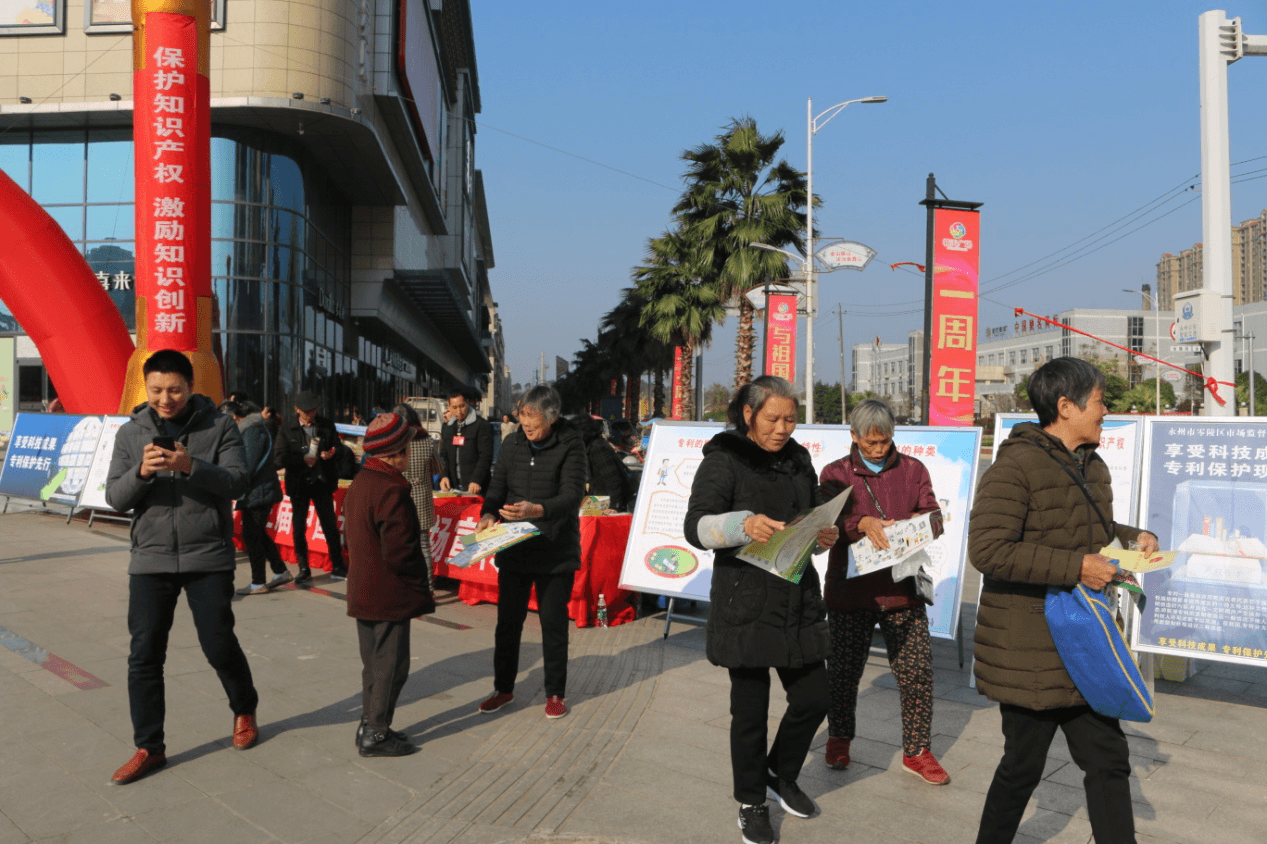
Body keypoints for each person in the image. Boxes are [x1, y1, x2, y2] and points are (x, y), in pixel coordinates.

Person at [969, 357, 1159, 844]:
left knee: (1108, 761)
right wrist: (1077, 567)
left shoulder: (1090, 465)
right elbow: (989, 550)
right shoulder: (1016, 466)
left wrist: (1134, 536)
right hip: (1031, 649)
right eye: (1099, 401)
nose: (1106, 410)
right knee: (1023, 768)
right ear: (1065, 406)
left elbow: (1091, 530)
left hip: (1084, 642)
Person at [682, 376, 839, 844]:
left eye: (790, 419)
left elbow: (808, 517)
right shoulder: (724, 459)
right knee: (749, 713)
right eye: (773, 418)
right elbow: (696, 526)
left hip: (797, 598)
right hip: (745, 599)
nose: (782, 428)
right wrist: (742, 525)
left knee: (816, 697)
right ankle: (752, 803)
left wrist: (821, 535)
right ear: (748, 414)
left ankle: (779, 772)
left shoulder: (799, 460)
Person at [105, 349, 258, 784]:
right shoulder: (132, 432)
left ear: (191, 387)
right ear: (146, 387)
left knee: (217, 642)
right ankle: (148, 747)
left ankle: (244, 708)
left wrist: (191, 465)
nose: (165, 399)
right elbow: (116, 497)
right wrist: (143, 472)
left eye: (174, 390)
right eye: (156, 390)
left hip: (207, 555)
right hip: (150, 559)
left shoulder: (220, 425)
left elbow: (237, 483)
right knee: (144, 654)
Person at [816, 398, 948, 783]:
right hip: (850, 591)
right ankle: (839, 738)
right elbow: (828, 521)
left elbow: (933, 515)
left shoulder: (912, 469)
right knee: (842, 672)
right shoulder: (834, 473)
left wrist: (917, 524)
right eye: (870, 442)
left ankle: (917, 751)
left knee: (917, 673)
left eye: (885, 441)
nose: (878, 449)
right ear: (853, 436)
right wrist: (863, 522)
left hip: (901, 589)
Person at [475, 385, 587, 719]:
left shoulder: (571, 445)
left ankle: (555, 693)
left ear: (551, 417)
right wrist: (487, 514)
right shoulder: (512, 444)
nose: (527, 428)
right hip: (514, 547)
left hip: (555, 551)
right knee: (507, 624)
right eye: (523, 420)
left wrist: (537, 509)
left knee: (553, 626)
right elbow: (497, 488)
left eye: (533, 422)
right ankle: (503, 688)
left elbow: (571, 496)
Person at [343, 412, 436, 757]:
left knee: (374, 663)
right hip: (388, 593)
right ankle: (376, 733)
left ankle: (370, 721)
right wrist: (419, 585)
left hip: (364, 589)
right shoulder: (391, 490)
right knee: (391, 666)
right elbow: (401, 552)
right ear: (397, 453)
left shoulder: (361, 482)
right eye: (407, 449)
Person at [274, 390, 347, 583]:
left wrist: (332, 452)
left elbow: (339, 448)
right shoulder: (287, 428)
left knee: (329, 525)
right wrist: (302, 460)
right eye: (307, 412)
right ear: (297, 409)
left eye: (314, 411)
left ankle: (338, 565)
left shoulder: (326, 425)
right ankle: (303, 567)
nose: (311, 415)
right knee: (298, 527)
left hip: (322, 481)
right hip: (299, 483)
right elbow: (280, 458)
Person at [225, 401, 292, 596]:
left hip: (259, 491)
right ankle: (280, 571)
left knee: (252, 536)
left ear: (235, 416)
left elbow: (249, 464)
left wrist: (232, 479)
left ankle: (258, 581)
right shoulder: (251, 429)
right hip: (257, 490)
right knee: (258, 533)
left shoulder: (252, 431)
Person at [395, 403, 443, 585]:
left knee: (400, 544)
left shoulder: (397, 443)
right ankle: (428, 585)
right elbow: (438, 467)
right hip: (422, 499)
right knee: (423, 545)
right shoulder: (427, 441)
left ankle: (405, 583)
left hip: (399, 499)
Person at [439, 389, 494, 495]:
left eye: (462, 406)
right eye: (454, 407)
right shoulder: (447, 427)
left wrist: (476, 479)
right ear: (448, 407)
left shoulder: (481, 425)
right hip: (453, 485)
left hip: (475, 486)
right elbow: (443, 455)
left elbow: (486, 456)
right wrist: (444, 475)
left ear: (467, 403)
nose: (459, 411)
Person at [578, 417, 634, 512]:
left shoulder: (597, 448)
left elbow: (613, 479)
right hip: (599, 497)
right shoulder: (590, 447)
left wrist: (614, 506)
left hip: (608, 500)